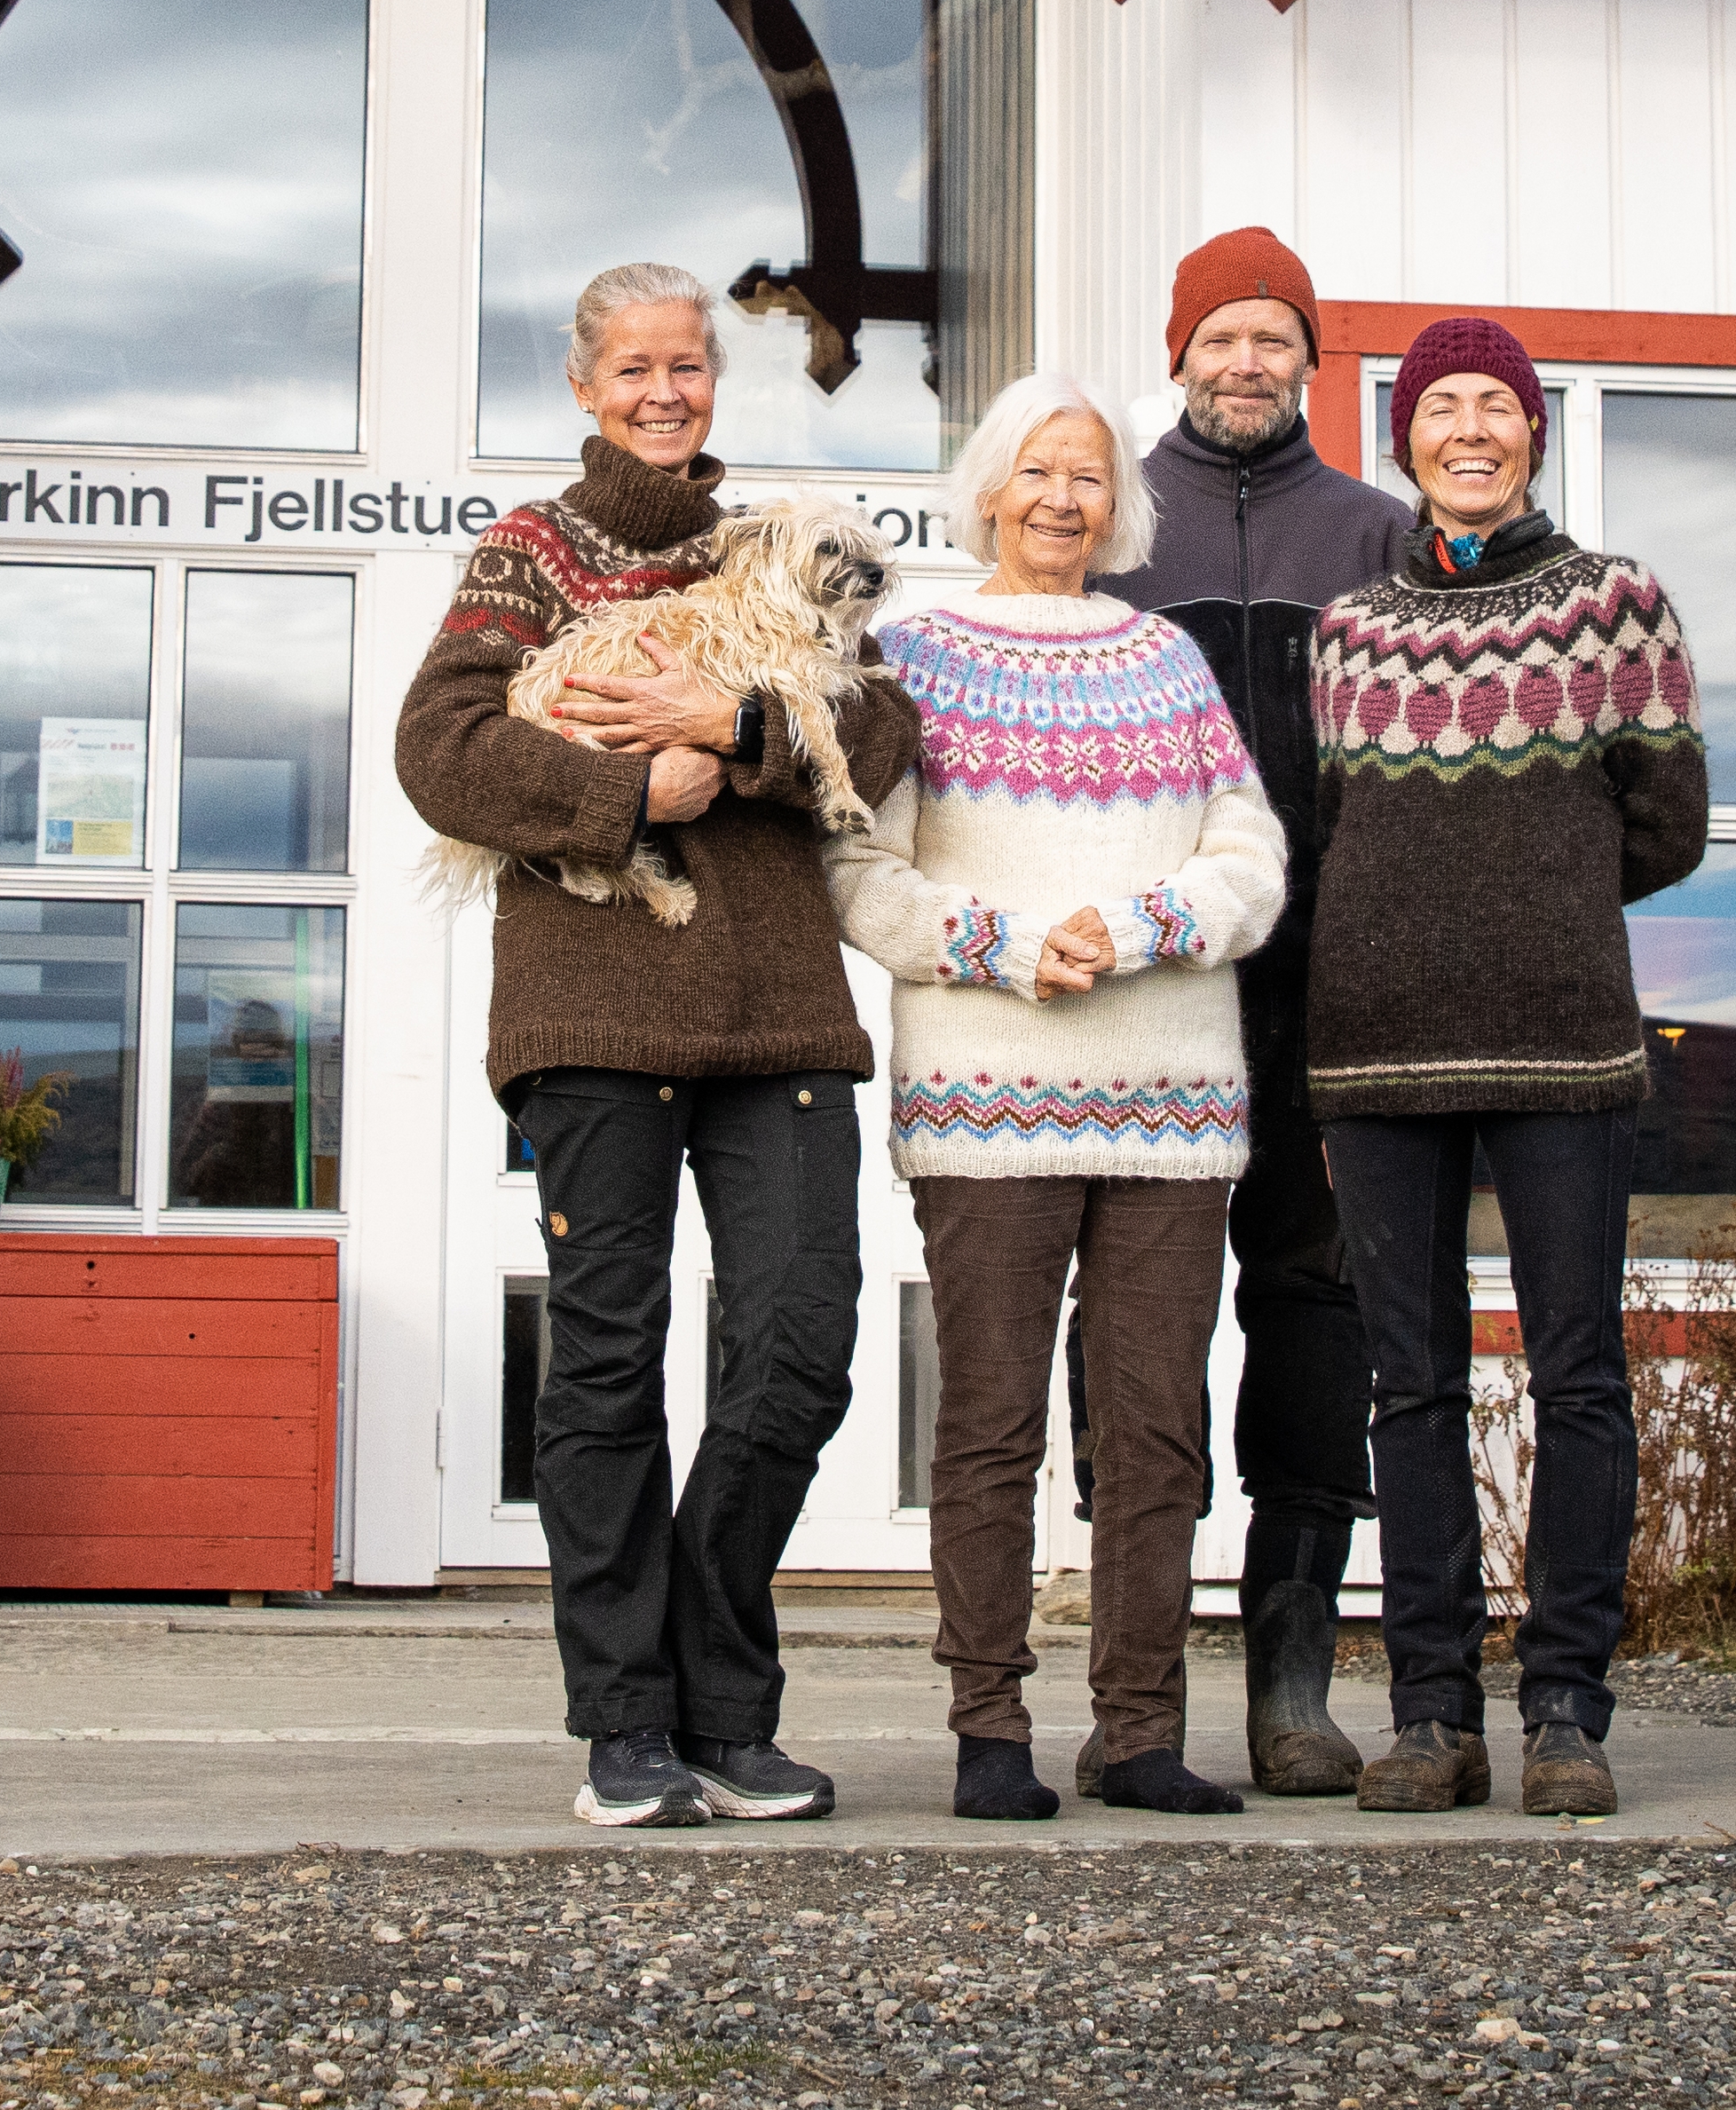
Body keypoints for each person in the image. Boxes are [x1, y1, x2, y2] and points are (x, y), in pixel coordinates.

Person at [394, 260, 920, 1831]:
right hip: (592, 1013)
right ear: (584, 385)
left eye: (685, 364)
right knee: (609, 1365)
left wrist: (737, 730)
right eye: (632, 367)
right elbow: (441, 749)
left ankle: (712, 1686)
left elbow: (881, 731)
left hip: (776, 1013)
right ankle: (633, 1723)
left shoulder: (774, 545)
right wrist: (632, 792)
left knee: (800, 1350)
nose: (663, 391)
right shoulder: (528, 553)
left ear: (713, 380)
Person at [827, 371, 1287, 1820]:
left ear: (1119, 501)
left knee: (1155, 1429)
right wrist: (1010, 945)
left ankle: (1139, 1732)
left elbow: (1252, 856)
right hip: (986, 1099)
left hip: (1174, 1107)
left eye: (1088, 474)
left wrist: (1144, 925)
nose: (1061, 498)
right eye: (1036, 470)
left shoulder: (1167, 660)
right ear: (988, 490)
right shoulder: (909, 658)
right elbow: (856, 870)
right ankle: (988, 1729)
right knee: (990, 1421)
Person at [1303, 314, 1708, 1817]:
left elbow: (1668, 825)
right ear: (1403, 438)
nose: (1469, 429)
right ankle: (1431, 1716)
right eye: (1441, 407)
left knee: (1578, 1375)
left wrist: (1539, 906)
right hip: (1378, 1053)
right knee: (1408, 1386)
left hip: (1564, 1044)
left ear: (1533, 432)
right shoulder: (1348, 631)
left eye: (1497, 405)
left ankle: (1565, 1715)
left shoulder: (1617, 606)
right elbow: (1337, 836)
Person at [1101, 226, 1408, 1798]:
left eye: (1273, 337)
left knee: (1312, 1312)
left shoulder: (1378, 536)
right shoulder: (1110, 524)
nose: (1246, 361)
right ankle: (1134, 1688)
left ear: (1309, 361)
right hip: (1147, 989)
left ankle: (1293, 1685)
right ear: (1180, 355)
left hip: (1323, 988)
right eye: (1219, 336)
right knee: (1135, 1323)